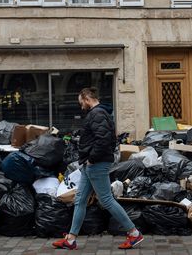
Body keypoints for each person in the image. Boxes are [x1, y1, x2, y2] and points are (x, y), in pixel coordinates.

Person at [52, 87, 144, 250]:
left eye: (82, 103)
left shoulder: (97, 114)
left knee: (106, 200)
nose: (81, 107)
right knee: (80, 199)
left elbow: (103, 139)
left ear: (87, 99)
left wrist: (92, 160)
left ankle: (134, 233)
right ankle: (71, 240)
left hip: (96, 163)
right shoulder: (100, 114)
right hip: (92, 163)